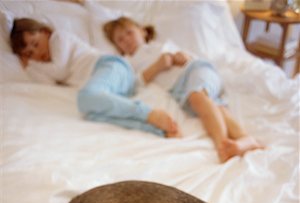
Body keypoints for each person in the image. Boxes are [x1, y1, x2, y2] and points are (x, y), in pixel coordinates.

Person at [103, 17, 264, 162]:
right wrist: (158, 66)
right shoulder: (129, 63)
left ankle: (222, 146)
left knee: (198, 96)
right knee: (214, 107)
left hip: (195, 70)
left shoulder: (161, 46)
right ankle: (247, 140)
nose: (126, 40)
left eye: (129, 33)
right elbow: (136, 83)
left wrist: (182, 57)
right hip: (179, 90)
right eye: (120, 40)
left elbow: (189, 58)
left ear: (143, 32)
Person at [10, 18, 179, 137]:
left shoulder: (59, 38)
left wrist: (31, 64)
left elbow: (59, 70)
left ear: (45, 32)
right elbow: (46, 83)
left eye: (36, 44)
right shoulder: (43, 65)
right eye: (30, 54)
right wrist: (29, 66)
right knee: (91, 114)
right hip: (108, 92)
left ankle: (147, 112)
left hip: (112, 67)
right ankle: (156, 129)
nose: (36, 53)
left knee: (85, 98)